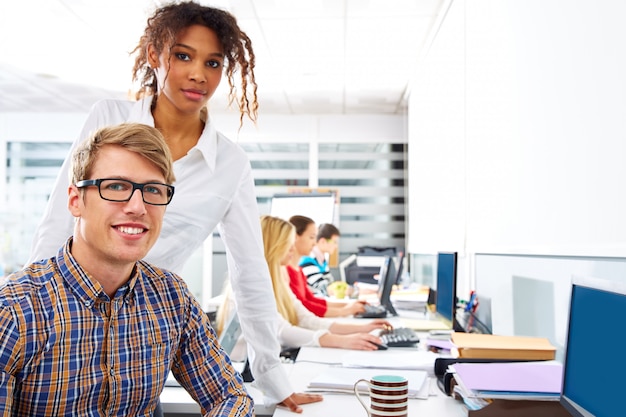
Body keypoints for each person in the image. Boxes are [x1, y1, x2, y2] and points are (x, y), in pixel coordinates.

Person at [26, 1, 315, 412]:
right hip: (68, 316)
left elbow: (250, 269)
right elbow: (59, 219)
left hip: (143, 329)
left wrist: (272, 377)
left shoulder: (230, 164)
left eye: (214, 63)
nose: (199, 74)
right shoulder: (109, 120)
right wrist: (37, 307)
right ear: (154, 56)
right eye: (183, 56)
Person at [0, 123, 252, 416]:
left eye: (153, 190)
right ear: (75, 200)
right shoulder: (14, 310)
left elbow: (230, 395)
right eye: (116, 187)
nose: (138, 207)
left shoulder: (171, 298)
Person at [217, 215, 391, 350]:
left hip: (267, 361)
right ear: (274, 246)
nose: (293, 249)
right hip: (246, 373)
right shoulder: (251, 284)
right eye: (288, 244)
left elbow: (304, 317)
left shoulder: (275, 277)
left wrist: (360, 330)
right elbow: (282, 331)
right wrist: (342, 340)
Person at [288, 216, 365, 317]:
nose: (314, 242)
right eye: (311, 237)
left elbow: (316, 295)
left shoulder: (318, 262)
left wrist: (349, 305)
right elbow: (325, 289)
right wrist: (346, 309)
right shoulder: (306, 262)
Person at [298, 222, 341, 296]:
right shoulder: (307, 259)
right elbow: (324, 288)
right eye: (334, 242)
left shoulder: (322, 260)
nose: (336, 246)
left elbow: (331, 283)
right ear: (323, 241)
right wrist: (354, 291)